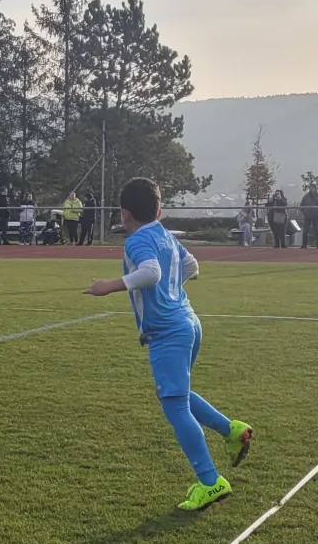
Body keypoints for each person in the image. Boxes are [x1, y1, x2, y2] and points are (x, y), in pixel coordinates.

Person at [84, 178, 255, 513]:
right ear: (159, 210)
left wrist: (109, 285)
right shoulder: (165, 234)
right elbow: (192, 266)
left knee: (174, 404)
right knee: (176, 394)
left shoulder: (137, 240)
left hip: (168, 332)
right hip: (189, 322)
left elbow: (151, 273)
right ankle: (232, 430)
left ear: (124, 213)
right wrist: (172, 290)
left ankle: (210, 481)